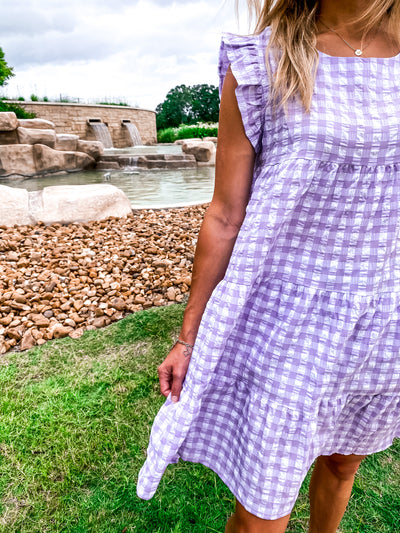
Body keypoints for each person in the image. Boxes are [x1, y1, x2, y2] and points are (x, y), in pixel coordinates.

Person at [137, 0, 400, 531]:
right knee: (263, 507)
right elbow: (225, 214)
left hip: (384, 316)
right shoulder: (262, 62)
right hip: (288, 321)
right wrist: (189, 337)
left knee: (345, 459)